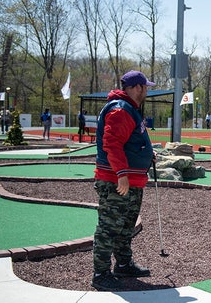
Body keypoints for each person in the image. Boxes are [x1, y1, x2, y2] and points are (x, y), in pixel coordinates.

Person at [91, 70, 156, 291]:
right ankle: (100, 273)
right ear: (137, 87)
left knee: (125, 226)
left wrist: (146, 152)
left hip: (131, 180)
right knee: (110, 227)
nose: (147, 90)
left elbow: (129, 141)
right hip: (116, 180)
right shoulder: (120, 109)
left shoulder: (129, 108)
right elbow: (112, 143)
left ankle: (123, 264)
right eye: (145, 87)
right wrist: (121, 174)